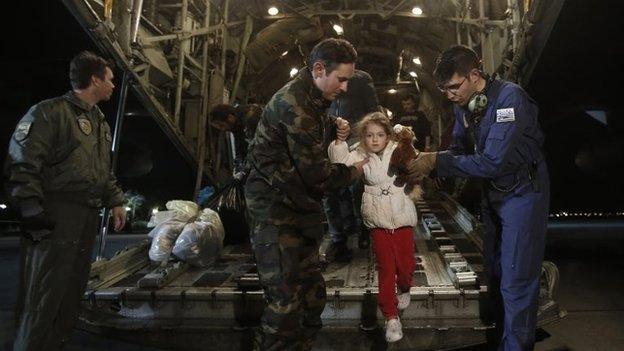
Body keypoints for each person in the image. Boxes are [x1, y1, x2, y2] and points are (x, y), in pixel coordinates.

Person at [407, 45, 550, 350]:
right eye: (443, 89)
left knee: (516, 280)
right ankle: (500, 341)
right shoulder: (466, 105)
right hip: (494, 193)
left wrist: (435, 161)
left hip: (522, 193)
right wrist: (425, 161)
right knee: (495, 274)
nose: (448, 95)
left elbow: (492, 161)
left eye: (454, 87)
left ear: (475, 74)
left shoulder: (510, 99)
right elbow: (460, 152)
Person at [244, 38, 368, 350]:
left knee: (312, 300)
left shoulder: (310, 100)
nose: (344, 88)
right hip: (275, 213)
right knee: (284, 306)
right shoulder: (295, 105)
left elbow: (309, 133)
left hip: (298, 209)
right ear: (318, 69)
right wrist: (355, 169)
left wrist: (331, 125)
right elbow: (317, 176)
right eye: (341, 79)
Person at [5, 51, 126, 350]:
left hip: (85, 215)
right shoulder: (50, 113)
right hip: (55, 213)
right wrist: (31, 209)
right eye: (110, 80)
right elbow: (23, 161)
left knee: (70, 293)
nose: (113, 86)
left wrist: (115, 200)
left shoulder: (98, 121)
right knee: (43, 294)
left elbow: (101, 170)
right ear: (95, 80)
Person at [328, 112, 417, 343]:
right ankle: (391, 317)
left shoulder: (396, 149)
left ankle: (405, 287)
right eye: (369, 135)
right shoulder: (360, 152)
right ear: (363, 137)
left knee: (405, 266)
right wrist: (340, 142)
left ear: (388, 136)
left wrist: (406, 141)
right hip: (377, 217)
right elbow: (340, 163)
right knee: (387, 267)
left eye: (379, 135)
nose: (374, 140)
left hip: (402, 214)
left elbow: (414, 160)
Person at [323, 69, 382, 260]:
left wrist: (376, 137)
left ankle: (362, 229)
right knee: (330, 189)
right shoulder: (324, 77)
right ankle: (339, 238)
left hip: (356, 137)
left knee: (356, 188)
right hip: (331, 138)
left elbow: (374, 110)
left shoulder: (362, 79)